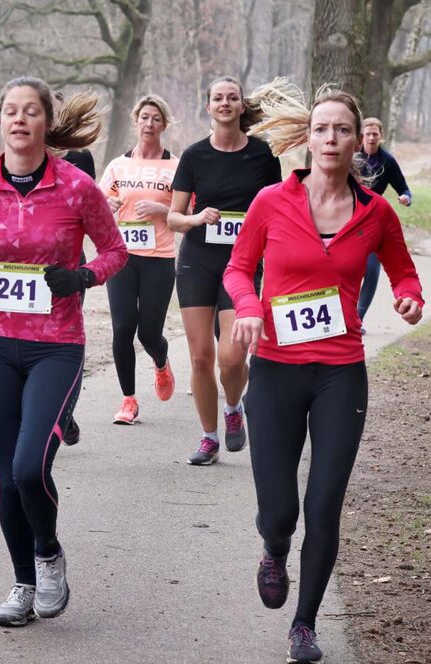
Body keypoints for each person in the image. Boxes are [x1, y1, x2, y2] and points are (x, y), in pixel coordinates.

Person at [224, 84, 423, 664]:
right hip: (278, 370)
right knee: (281, 509)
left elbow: (404, 275)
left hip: (341, 372)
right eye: (321, 129)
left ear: (355, 140)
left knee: (325, 503)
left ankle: (305, 625)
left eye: (341, 129)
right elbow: (239, 270)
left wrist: (409, 300)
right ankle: (272, 546)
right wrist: (250, 307)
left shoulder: (375, 212)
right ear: (306, 140)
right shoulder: (270, 202)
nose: (330, 138)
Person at [0, 78, 127, 626]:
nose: (19, 120)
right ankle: (23, 585)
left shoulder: (76, 187)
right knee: (5, 477)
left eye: (30, 112)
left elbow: (115, 251)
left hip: (55, 347)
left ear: (47, 121)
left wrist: (81, 277)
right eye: (9, 111)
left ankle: (48, 553)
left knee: (29, 469)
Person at [167, 76, 282, 465]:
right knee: (200, 357)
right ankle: (208, 438)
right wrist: (197, 217)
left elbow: (279, 211)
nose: (225, 103)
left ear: (241, 105)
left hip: (244, 264)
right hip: (198, 261)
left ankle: (234, 409)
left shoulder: (264, 155)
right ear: (208, 106)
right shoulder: (195, 156)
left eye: (232, 97)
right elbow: (173, 218)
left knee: (232, 358)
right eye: (218, 98)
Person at [99, 94, 180, 424]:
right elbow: (98, 202)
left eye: (156, 118)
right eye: (144, 117)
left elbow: (190, 212)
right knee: (121, 328)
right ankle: (128, 400)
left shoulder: (176, 166)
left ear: (164, 124)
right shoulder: (118, 165)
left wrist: (163, 209)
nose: (149, 123)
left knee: (148, 333)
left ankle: (161, 363)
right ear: (136, 121)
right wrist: (108, 206)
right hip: (122, 256)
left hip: (159, 258)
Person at [356, 117, 412, 328]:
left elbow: (404, 188)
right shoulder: (351, 157)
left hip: (373, 223)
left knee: (371, 271)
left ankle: (357, 319)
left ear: (381, 136)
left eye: (375, 134)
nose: (371, 137)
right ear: (362, 136)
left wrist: (406, 198)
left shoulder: (387, 161)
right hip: (347, 220)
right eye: (368, 134)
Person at [58, 146, 97, 446]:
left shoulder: (80, 158)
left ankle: (63, 412)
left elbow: (89, 211)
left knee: (63, 339)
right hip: (20, 266)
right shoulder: (18, 152)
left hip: (68, 264)